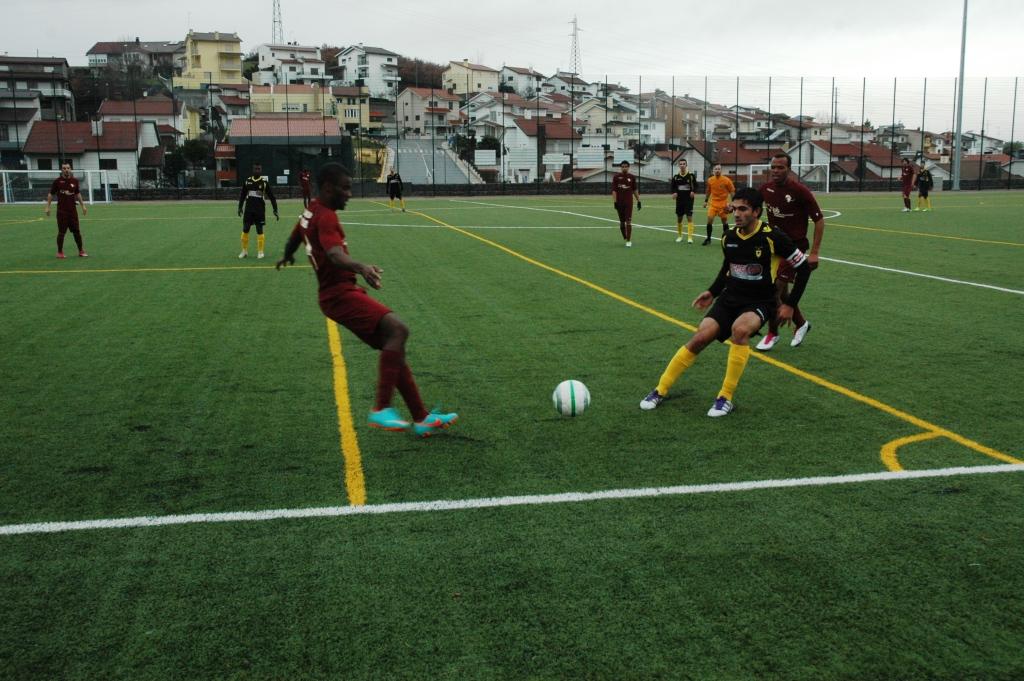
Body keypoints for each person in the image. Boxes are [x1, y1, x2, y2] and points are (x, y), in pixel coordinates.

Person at [276, 163, 457, 438]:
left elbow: (295, 236)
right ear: (328, 188)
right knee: (398, 330)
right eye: (345, 188)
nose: (350, 193)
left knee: (393, 348)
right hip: (338, 295)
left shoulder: (310, 210)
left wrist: (288, 255)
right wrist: (361, 267)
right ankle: (381, 408)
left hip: (339, 293)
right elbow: (335, 255)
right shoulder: (326, 217)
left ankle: (421, 418)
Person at [639, 187, 811, 417]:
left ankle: (725, 397)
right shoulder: (728, 237)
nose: (736, 213)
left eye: (743, 209)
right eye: (735, 208)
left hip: (760, 301)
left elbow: (804, 268)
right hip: (730, 298)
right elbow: (727, 269)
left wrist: (790, 304)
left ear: (757, 212)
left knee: (739, 331)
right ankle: (660, 390)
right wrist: (712, 291)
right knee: (700, 337)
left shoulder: (773, 236)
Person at [755, 152, 825, 351]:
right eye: (773, 167)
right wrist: (732, 206)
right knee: (782, 294)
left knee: (774, 289)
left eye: (780, 167)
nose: (776, 171)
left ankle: (772, 333)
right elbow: (752, 203)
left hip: (795, 247)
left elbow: (819, 221)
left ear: (789, 169)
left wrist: (814, 252)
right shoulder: (765, 188)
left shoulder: (799, 190)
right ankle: (802, 324)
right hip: (773, 246)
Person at [44, 162, 88, 258]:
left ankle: (81, 251)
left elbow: (77, 194)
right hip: (62, 211)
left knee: (77, 232)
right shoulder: (57, 182)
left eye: (68, 168)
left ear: (70, 169)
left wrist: (83, 206)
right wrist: (47, 207)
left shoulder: (75, 181)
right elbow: (51, 194)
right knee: (61, 232)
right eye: (64, 168)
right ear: (61, 170)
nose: (66, 170)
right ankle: (60, 252)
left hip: (72, 211)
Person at [237, 162, 279, 259]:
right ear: (253, 169)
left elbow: (272, 197)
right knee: (245, 229)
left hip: (259, 210)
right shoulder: (248, 181)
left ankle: (260, 252)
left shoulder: (264, 183)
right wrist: (240, 207)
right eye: (256, 169)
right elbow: (242, 195)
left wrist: (275, 209)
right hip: (248, 210)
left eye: (259, 169)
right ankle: (244, 251)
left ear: (261, 170)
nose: (257, 170)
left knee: (259, 230)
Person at [702, 164, 734, 245]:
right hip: (713, 203)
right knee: (709, 219)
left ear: (721, 170)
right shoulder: (710, 180)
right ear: (713, 171)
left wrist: (733, 203)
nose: (717, 170)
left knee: (724, 221)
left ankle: (726, 239)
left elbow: (732, 191)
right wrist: (706, 201)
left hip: (723, 204)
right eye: (716, 169)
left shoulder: (727, 180)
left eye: (719, 169)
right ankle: (708, 239)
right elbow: (708, 191)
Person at [612, 160, 641, 247]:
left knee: (628, 221)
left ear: (628, 167)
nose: (624, 168)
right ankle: (625, 237)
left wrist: (638, 201)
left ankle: (628, 240)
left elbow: (635, 190)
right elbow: (614, 191)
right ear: (620, 167)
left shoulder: (632, 177)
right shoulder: (616, 177)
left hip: (629, 203)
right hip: (619, 203)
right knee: (622, 222)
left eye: (626, 166)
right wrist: (615, 202)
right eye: (623, 166)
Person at [670, 158, 698, 243]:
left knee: (689, 217)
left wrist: (693, 191)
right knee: (679, 218)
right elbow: (673, 187)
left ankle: (690, 237)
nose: (682, 165)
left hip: (689, 200)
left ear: (686, 165)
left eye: (683, 164)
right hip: (679, 200)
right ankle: (680, 236)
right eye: (680, 164)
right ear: (679, 165)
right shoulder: (676, 177)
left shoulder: (691, 176)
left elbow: (696, 186)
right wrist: (674, 193)